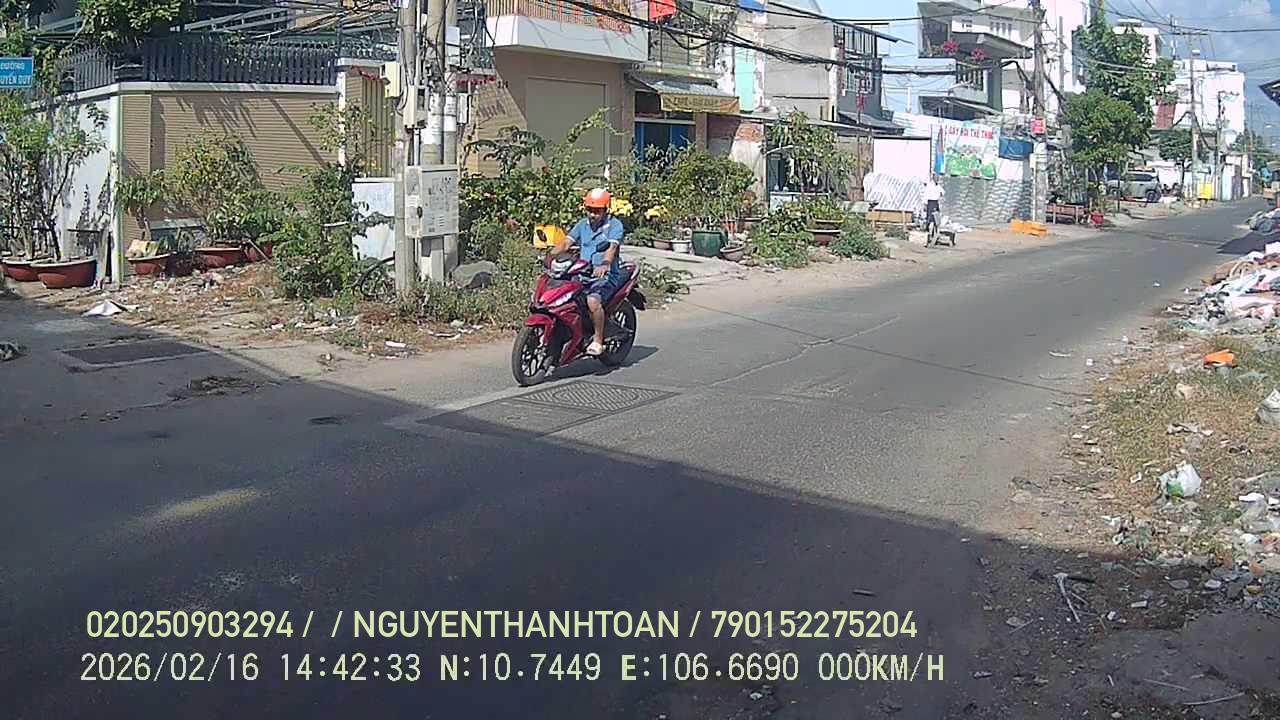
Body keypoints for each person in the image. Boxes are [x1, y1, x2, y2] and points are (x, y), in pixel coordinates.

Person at [554, 187, 624, 357]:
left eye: (597, 211)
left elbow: (612, 248)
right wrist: (550, 255)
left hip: (605, 276)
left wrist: (605, 264)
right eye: (590, 210)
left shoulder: (615, 226)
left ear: (606, 209)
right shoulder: (582, 225)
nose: (592, 214)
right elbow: (566, 243)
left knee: (592, 301)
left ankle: (598, 340)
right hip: (581, 272)